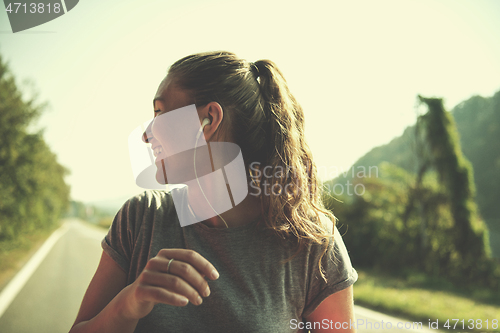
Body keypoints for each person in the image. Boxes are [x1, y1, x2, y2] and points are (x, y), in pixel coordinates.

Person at [69, 51, 358, 333]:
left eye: (159, 112)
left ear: (208, 119)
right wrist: (128, 304)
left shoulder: (309, 242)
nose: (146, 135)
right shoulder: (141, 219)